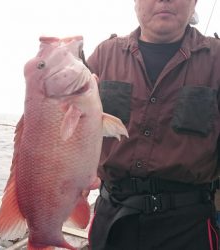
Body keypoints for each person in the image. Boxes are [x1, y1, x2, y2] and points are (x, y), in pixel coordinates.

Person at [86, 0, 220, 249]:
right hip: (111, 219)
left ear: (194, 3)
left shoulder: (216, 59)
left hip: (188, 227)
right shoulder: (104, 55)